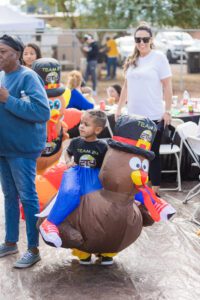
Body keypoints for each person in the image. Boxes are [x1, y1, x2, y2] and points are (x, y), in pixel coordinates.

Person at [0, 35, 50, 268]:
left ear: (17, 54)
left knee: (28, 197)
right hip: (4, 147)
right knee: (10, 196)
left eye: (2, 52)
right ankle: (11, 242)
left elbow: (42, 112)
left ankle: (33, 248)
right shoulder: (2, 75)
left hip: (22, 149)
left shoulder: (28, 77)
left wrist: (8, 99)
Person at [39, 110, 108, 258]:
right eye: (81, 123)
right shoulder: (76, 142)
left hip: (93, 177)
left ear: (97, 130)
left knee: (95, 207)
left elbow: (105, 165)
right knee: (72, 200)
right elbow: (68, 152)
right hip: (77, 174)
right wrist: (69, 161)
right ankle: (78, 246)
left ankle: (102, 245)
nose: (81, 126)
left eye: (86, 124)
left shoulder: (103, 146)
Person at [115, 22, 172, 196]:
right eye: (138, 39)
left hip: (153, 117)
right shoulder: (132, 60)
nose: (141, 43)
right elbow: (125, 86)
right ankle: (137, 190)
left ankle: (154, 194)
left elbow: (168, 86)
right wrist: (119, 109)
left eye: (145, 39)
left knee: (152, 155)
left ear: (151, 40)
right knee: (134, 155)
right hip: (133, 118)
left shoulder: (159, 58)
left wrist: (167, 110)